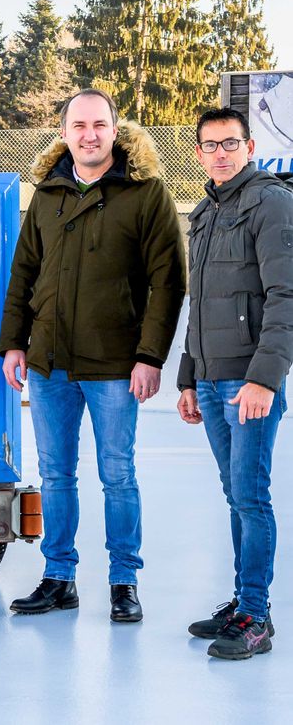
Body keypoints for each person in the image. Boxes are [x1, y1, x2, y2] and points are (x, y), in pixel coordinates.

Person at [0, 89, 185, 622]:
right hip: (50, 361)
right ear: (64, 132)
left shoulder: (145, 193)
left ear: (114, 128)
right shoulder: (47, 192)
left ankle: (124, 581)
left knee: (117, 474)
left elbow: (167, 282)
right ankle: (59, 577)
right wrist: (15, 342)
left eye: (99, 124)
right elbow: (24, 275)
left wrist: (149, 356)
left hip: (114, 364)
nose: (89, 135)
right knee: (56, 475)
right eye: (78, 125)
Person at [177, 107, 293, 660]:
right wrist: (187, 377)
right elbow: (198, 304)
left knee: (251, 495)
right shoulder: (204, 212)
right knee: (235, 496)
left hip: (249, 383)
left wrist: (265, 380)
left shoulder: (270, 202)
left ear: (249, 147)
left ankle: (257, 615)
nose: (220, 153)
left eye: (230, 143)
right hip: (211, 379)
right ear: (199, 152)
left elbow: (285, 297)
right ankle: (243, 601)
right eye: (210, 145)